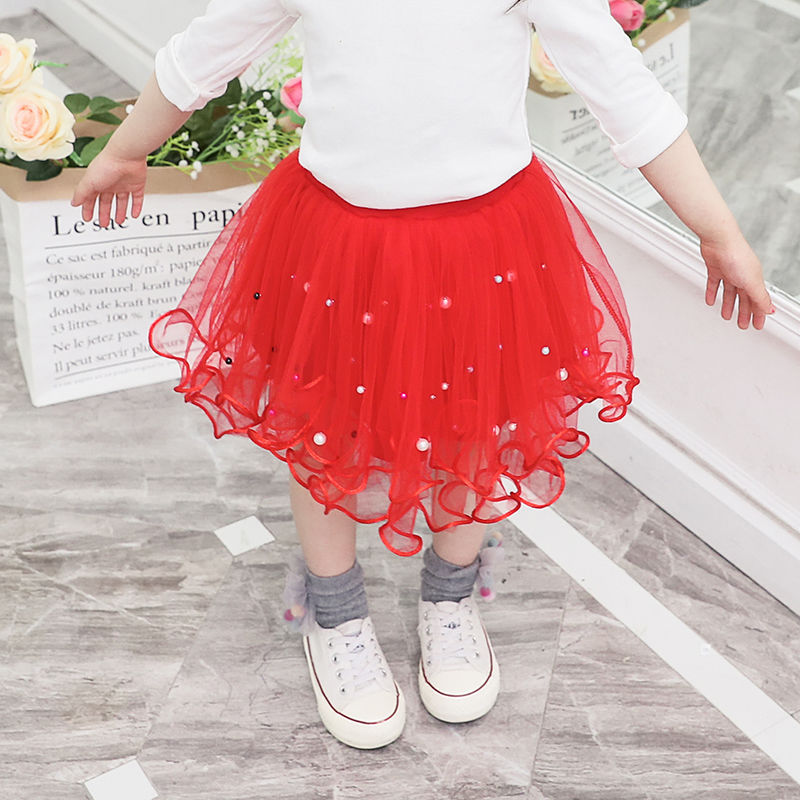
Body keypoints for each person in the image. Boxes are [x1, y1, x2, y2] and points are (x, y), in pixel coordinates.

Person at [70, 0, 775, 751]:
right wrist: (126, 149)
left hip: (483, 244)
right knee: (321, 432)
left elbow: (619, 84)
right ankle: (334, 610)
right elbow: (204, 53)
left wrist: (717, 230)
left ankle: (450, 595)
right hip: (341, 241)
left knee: (478, 426)